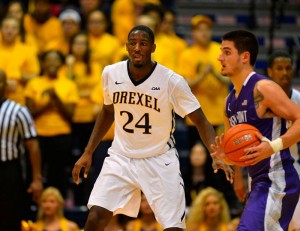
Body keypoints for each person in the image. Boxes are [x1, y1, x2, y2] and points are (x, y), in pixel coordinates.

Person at [72, 25, 233, 231]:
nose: (137, 48)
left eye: (143, 44)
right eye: (133, 43)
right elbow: (107, 111)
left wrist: (215, 152)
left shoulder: (172, 81)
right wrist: (88, 151)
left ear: (153, 47)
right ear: (127, 46)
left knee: (173, 227)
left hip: (159, 160)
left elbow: (201, 120)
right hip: (122, 157)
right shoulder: (111, 73)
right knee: (95, 217)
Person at [211, 30, 300, 230]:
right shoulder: (229, 102)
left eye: (226, 52)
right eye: (220, 52)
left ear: (244, 56)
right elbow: (238, 151)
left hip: (278, 179)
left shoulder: (263, 88)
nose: (219, 57)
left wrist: (273, 147)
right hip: (258, 182)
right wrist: (226, 157)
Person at [24, 50, 79, 198]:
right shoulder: (34, 83)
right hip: (38, 135)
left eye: (56, 60)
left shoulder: (69, 84)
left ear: (61, 64)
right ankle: (34, 208)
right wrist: (48, 104)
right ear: (43, 63)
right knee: (35, 173)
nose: (52, 63)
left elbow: (70, 114)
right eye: (48, 60)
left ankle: (57, 208)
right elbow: (29, 113)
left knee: (58, 175)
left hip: (62, 135)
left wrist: (55, 97)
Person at [177, 14, 230, 148]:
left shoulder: (220, 50)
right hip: (196, 114)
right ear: (193, 33)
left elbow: (228, 79)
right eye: (200, 30)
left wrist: (213, 73)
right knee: (197, 155)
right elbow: (185, 84)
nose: (204, 33)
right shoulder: (187, 54)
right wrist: (203, 75)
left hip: (218, 114)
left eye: (207, 29)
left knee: (220, 155)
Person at [0, 69, 43, 231]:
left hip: (8, 170)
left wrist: (37, 179)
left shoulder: (18, 111)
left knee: (9, 216)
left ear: (5, 86)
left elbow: (33, 146)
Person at [267, 51, 300, 231]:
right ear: (270, 72)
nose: (285, 72)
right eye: (279, 68)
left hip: (292, 165)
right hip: (263, 169)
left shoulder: (298, 99)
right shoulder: (259, 100)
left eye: (288, 68)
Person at [0, 16, 40, 105]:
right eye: (6, 27)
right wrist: (5, 84)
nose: (9, 31)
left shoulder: (27, 50)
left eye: (14, 28)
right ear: (1, 29)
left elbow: (35, 76)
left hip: (18, 100)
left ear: (18, 31)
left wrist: (21, 77)